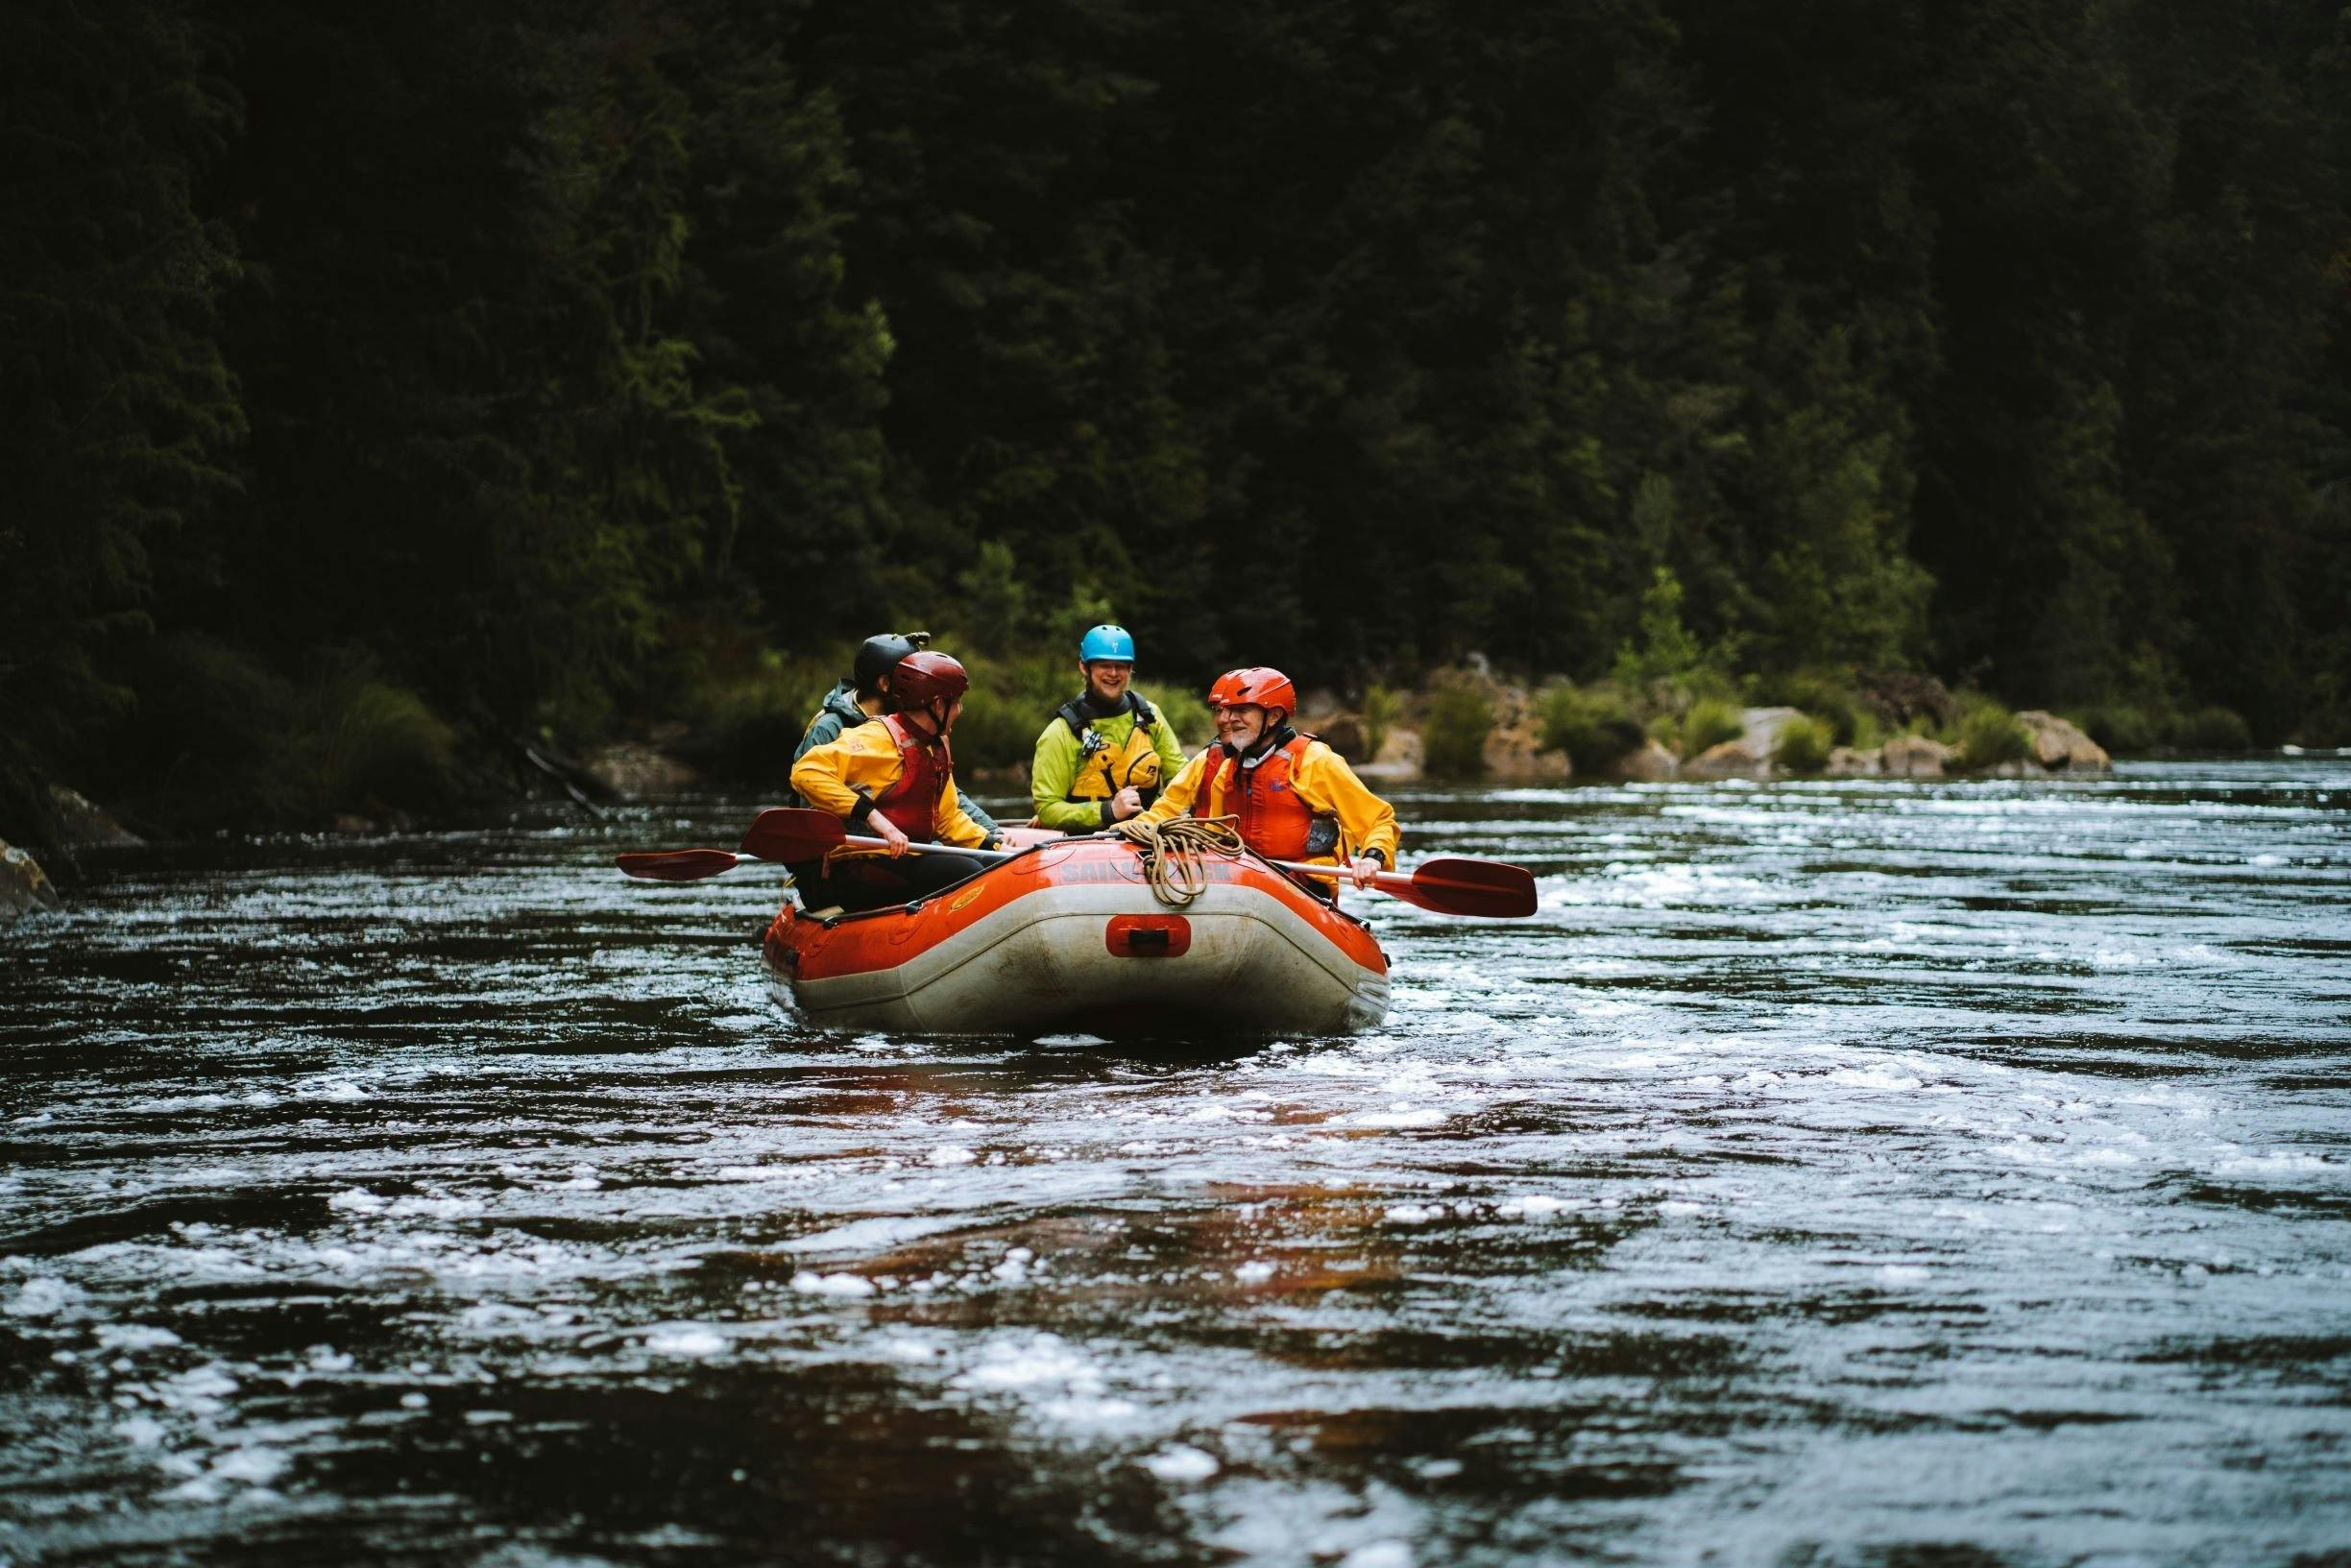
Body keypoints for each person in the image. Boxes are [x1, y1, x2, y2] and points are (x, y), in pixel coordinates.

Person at [1139, 666, 1398, 893]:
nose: (1229, 719)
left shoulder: (1314, 760)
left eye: (1242, 710)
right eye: (1228, 711)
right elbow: (1213, 836)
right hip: (1244, 878)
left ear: (1273, 716)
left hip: (1305, 884)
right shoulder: (1228, 767)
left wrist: (1372, 857)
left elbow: (1378, 820)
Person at [787, 651, 1002, 912]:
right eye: (956, 703)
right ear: (937, 705)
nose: (960, 711)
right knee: (967, 870)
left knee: (993, 864)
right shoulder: (878, 739)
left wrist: (991, 843)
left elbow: (947, 818)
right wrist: (872, 817)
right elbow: (806, 771)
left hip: (907, 857)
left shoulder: (936, 744)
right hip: (858, 866)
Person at [789, 630, 1000, 838]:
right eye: (911, 679)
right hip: (858, 846)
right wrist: (876, 823)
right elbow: (812, 800)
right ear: (885, 684)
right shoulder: (829, 728)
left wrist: (991, 832)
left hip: (900, 839)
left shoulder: (911, 727)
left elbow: (940, 795)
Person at [1030, 623, 1187, 833]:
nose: (1113, 673)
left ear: (1130, 669)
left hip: (1148, 836)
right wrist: (1108, 810)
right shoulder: (1059, 733)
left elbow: (1182, 778)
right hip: (1086, 843)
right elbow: (1047, 810)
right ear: (1084, 667)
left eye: (1121, 666)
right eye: (1104, 665)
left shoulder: (1151, 716)